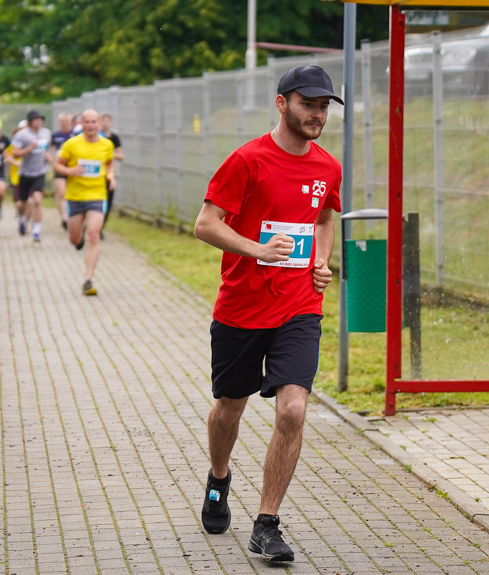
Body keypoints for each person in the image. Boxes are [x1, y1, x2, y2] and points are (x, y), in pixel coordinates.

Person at [193, 65, 343, 563]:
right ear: (283, 104)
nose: (317, 114)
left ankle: (267, 523)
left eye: (324, 106)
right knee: (229, 409)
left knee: (293, 410)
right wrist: (256, 250)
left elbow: (323, 220)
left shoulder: (327, 167)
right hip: (241, 308)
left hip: (299, 307)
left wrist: (321, 262)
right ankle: (219, 478)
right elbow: (205, 224)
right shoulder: (246, 160)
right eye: (309, 104)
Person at [53, 109, 115, 296]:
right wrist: (71, 172)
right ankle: (77, 240)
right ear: (82, 124)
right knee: (74, 238)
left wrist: (111, 176)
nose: (90, 125)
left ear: (99, 124)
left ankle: (88, 278)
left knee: (94, 235)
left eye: (93, 122)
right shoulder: (71, 144)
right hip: (75, 197)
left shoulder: (107, 144)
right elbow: (57, 165)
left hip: (97, 195)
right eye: (86, 122)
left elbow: (109, 163)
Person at [11, 110, 52, 241]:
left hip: (40, 172)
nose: (40, 121)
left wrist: (48, 156)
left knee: (37, 200)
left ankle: (36, 230)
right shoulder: (21, 135)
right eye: (36, 119)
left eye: (41, 119)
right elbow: (15, 154)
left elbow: (47, 149)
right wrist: (29, 148)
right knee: (23, 203)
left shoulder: (46, 133)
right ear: (30, 121)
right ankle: (22, 220)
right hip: (25, 173)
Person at [99, 112, 123, 237]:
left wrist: (108, 154)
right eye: (102, 120)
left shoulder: (113, 138)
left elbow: (121, 155)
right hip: (96, 175)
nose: (105, 123)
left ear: (111, 123)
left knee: (108, 202)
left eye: (107, 120)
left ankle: (100, 227)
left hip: (109, 174)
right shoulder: (96, 137)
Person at [51, 113, 75, 229]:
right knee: (61, 193)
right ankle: (64, 217)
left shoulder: (75, 135)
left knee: (71, 194)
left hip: (72, 168)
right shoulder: (55, 135)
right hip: (60, 167)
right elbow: (50, 150)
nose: (65, 123)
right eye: (63, 121)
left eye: (67, 121)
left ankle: (72, 216)